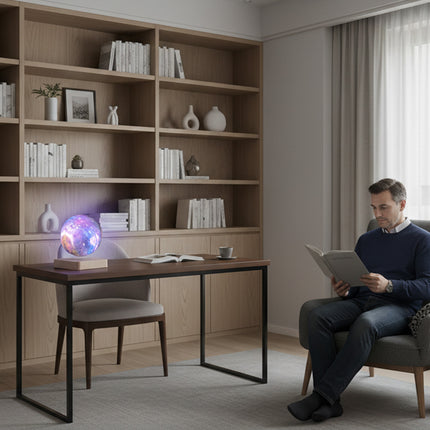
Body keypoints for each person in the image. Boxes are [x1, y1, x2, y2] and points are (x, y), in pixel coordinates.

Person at [288, 178, 430, 423]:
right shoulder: (367, 239)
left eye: (383, 207)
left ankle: (322, 395)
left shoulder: (422, 240)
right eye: (373, 207)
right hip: (362, 301)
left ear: (402, 204)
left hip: (399, 307)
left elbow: (427, 286)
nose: (377, 213)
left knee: (365, 323)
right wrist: (344, 290)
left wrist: (390, 286)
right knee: (318, 317)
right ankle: (331, 403)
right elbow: (358, 283)